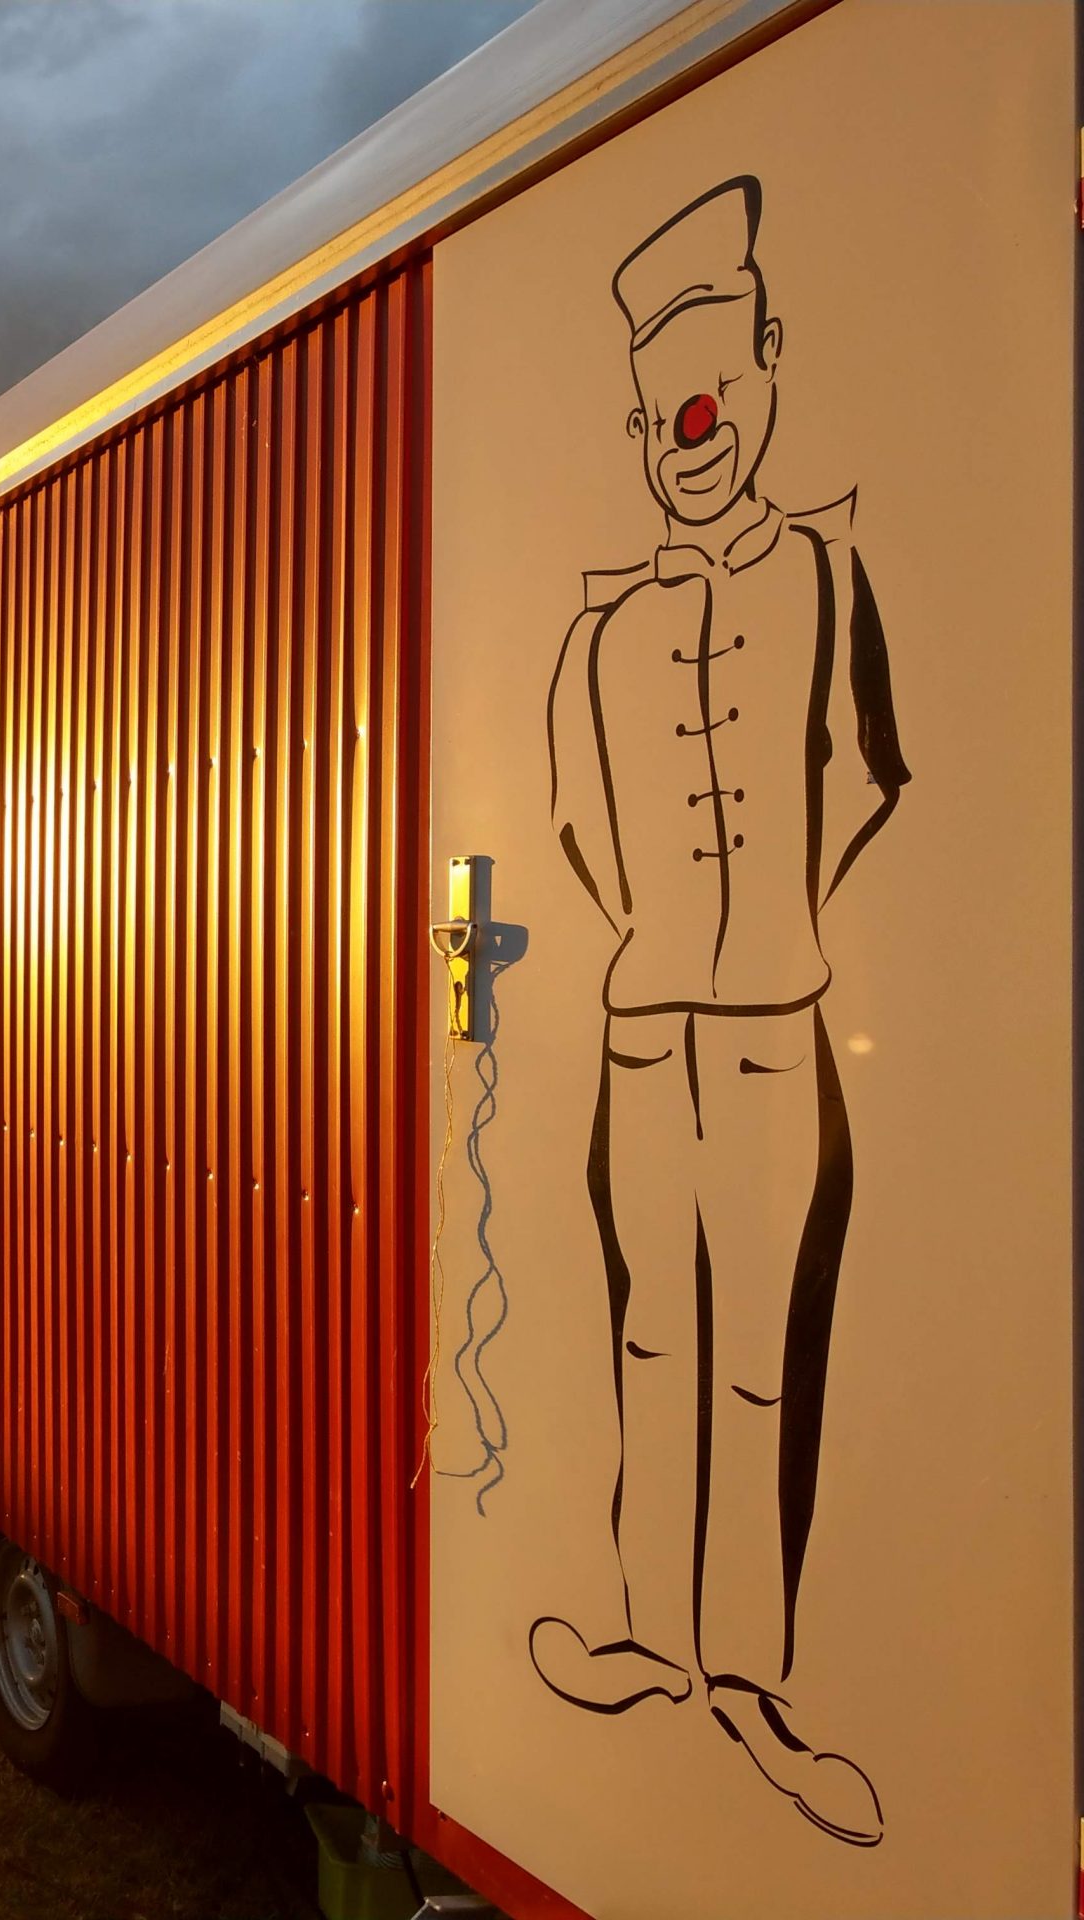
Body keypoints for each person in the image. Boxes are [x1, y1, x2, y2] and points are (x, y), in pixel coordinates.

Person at [536, 176, 907, 1848]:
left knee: (763, 1354)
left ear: (763, 366)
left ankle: (750, 1675)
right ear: (637, 424)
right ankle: (647, 1633)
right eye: (660, 405)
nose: (689, 429)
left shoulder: (830, 574)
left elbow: (875, 776)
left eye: (713, 384)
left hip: (770, 1021)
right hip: (642, 1030)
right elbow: (571, 820)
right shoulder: (599, 628)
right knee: (646, 1332)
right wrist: (658, 933)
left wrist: (780, 919)